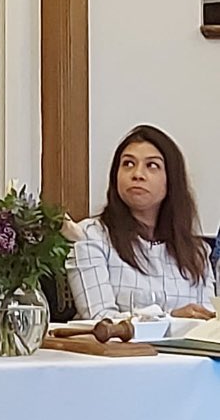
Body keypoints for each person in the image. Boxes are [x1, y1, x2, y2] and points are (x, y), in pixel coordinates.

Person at [66, 124, 215, 320]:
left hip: (186, 352)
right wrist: (172, 319)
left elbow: (207, 322)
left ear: (171, 180)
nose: (137, 174)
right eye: (128, 164)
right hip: (119, 350)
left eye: (152, 166)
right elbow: (100, 318)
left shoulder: (197, 253)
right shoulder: (89, 236)